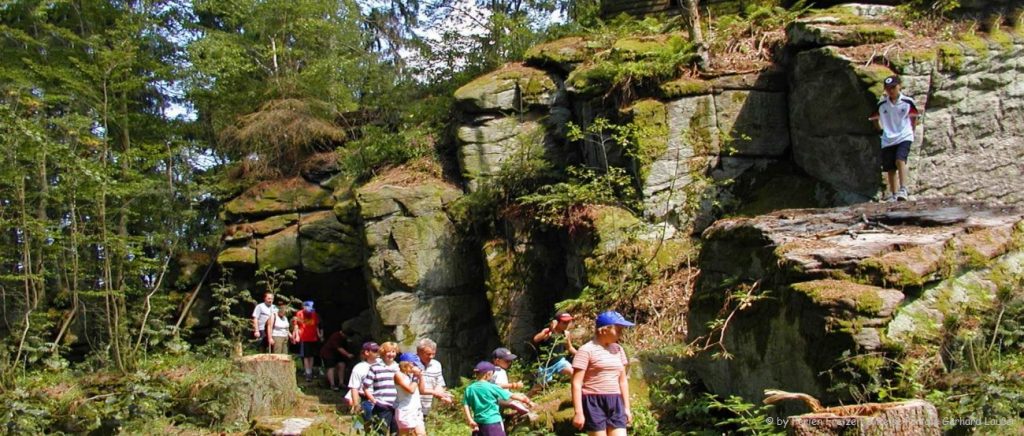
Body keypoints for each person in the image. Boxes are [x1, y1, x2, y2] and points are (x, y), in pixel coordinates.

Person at [571, 310, 634, 436]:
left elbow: (622, 381)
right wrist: (579, 412)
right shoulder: (586, 350)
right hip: (593, 401)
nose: (621, 333)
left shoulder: (618, 349)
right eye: (618, 329)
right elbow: (576, 383)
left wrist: (627, 408)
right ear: (604, 330)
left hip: (615, 400)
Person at [869, 75, 920, 202]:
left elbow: (914, 116)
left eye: (893, 87)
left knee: (900, 159)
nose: (891, 91)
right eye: (888, 88)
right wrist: (880, 130)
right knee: (890, 168)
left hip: (904, 135)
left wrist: (911, 130)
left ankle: (903, 189)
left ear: (899, 87)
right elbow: (874, 118)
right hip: (888, 138)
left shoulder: (907, 102)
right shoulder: (882, 104)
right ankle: (893, 194)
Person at [463, 361, 534, 436]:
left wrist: (470, 420)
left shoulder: (470, 388)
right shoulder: (492, 387)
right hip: (493, 423)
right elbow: (512, 396)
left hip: (477, 424)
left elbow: (466, 405)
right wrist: (529, 402)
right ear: (488, 374)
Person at [363, 341, 400, 435]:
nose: (391, 354)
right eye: (389, 352)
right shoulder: (375, 368)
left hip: (397, 405)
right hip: (382, 405)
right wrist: (374, 400)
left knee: (396, 432)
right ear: (383, 352)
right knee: (380, 432)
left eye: (393, 351)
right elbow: (365, 387)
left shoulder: (399, 368)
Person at [532, 312, 577, 386]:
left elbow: (569, 348)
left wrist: (581, 354)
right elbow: (536, 339)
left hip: (560, 362)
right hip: (546, 365)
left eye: (568, 322)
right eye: (564, 322)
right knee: (539, 388)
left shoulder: (566, 334)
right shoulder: (548, 332)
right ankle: (527, 396)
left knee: (573, 372)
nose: (567, 325)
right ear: (557, 322)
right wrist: (550, 330)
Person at [414, 338, 452, 417]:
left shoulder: (436, 364)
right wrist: (435, 393)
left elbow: (439, 384)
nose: (431, 357)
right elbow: (414, 388)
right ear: (419, 352)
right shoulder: (411, 365)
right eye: (428, 354)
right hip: (414, 408)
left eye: (433, 354)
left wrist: (442, 395)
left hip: (430, 408)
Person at [347, 342, 380, 430]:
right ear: (366, 352)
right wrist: (356, 404)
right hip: (366, 400)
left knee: (380, 427)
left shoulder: (383, 364)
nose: (378, 352)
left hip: (381, 399)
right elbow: (354, 387)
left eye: (379, 350)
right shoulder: (359, 367)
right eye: (375, 351)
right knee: (363, 427)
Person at [394, 352, 427, 436]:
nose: (416, 367)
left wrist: (421, 376)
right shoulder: (398, 375)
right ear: (407, 364)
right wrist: (416, 376)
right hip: (405, 411)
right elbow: (410, 390)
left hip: (416, 410)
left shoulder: (411, 376)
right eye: (414, 365)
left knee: (421, 434)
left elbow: (422, 390)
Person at [293, 300, 323, 382]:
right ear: (304, 307)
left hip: (313, 338)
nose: (310, 310)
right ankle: (308, 372)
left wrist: (319, 335)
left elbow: (316, 325)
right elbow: (296, 325)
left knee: (312, 355)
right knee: (306, 356)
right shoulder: (299, 313)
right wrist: (297, 335)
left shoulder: (314, 314)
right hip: (304, 337)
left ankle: (310, 370)